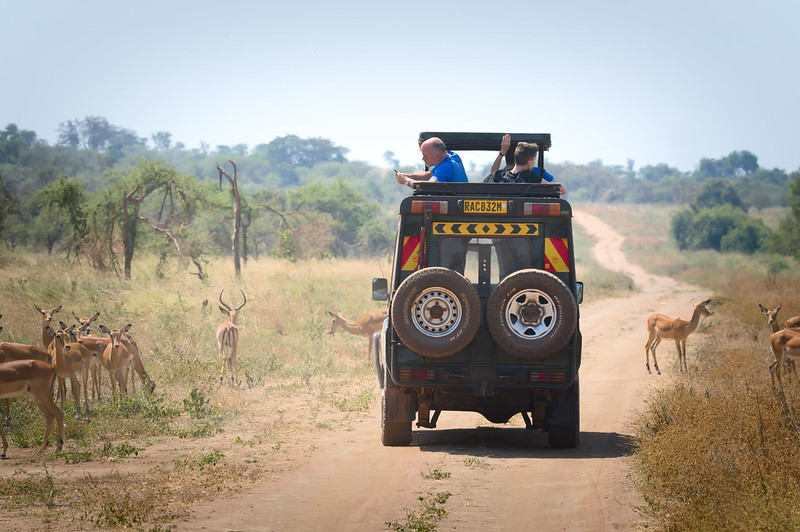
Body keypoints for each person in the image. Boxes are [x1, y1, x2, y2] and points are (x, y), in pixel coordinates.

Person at [490, 134, 567, 194]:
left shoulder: (502, 175)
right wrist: (558, 183)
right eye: (534, 160)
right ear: (529, 162)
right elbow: (562, 190)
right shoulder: (531, 176)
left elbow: (494, 170)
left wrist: (502, 152)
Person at [395, 137, 468, 189]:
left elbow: (429, 186)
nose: (422, 159)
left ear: (437, 157)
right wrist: (408, 175)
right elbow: (430, 175)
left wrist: (406, 181)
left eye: (425, 156)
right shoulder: (452, 156)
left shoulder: (447, 166)